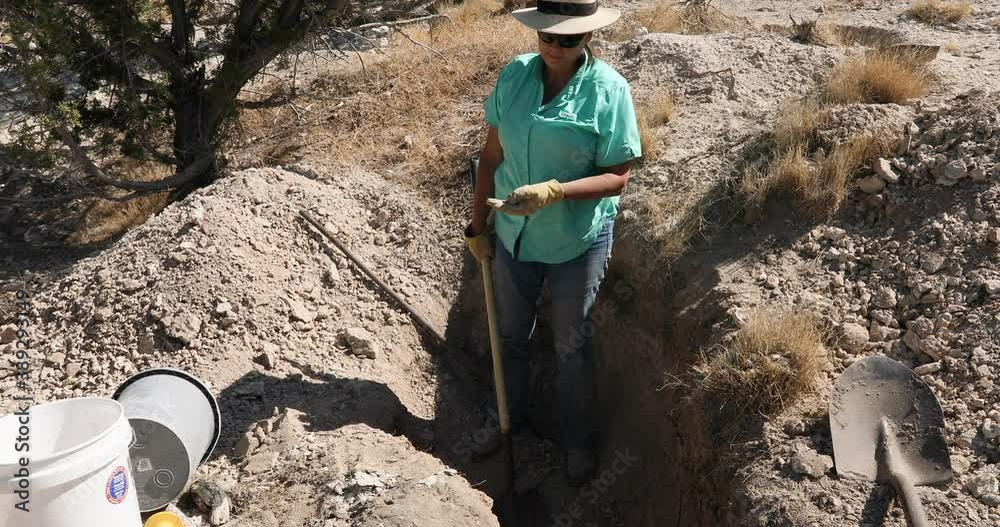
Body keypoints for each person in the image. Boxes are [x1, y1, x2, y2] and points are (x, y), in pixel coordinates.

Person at [464, 0, 641, 484]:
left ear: (589, 37)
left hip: (574, 241)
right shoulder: (515, 76)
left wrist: (556, 191)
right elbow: (490, 156)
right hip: (513, 237)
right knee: (509, 337)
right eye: (549, 37)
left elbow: (618, 175)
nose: (557, 47)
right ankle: (505, 417)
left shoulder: (609, 90)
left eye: (569, 39)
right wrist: (478, 227)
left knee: (571, 347)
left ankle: (577, 442)